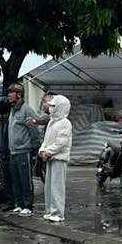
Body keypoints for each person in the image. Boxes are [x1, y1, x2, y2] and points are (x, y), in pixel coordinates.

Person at [5, 82, 39, 216]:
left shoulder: (27, 110)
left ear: (19, 94)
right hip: (13, 151)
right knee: (16, 179)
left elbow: (34, 130)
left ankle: (28, 206)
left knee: (25, 179)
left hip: (24, 151)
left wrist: (35, 147)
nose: (9, 95)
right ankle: (19, 204)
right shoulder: (13, 110)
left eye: (11, 93)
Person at [40, 94, 72, 223]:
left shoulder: (65, 123)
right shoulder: (52, 122)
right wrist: (42, 150)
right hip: (50, 158)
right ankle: (49, 210)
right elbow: (46, 139)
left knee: (57, 187)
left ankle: (58, 213)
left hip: (59, 159)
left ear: (61, 107)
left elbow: (61, 143)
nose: (51, 108)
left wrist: (48, 152)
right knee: (49, 187)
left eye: (54, 106)